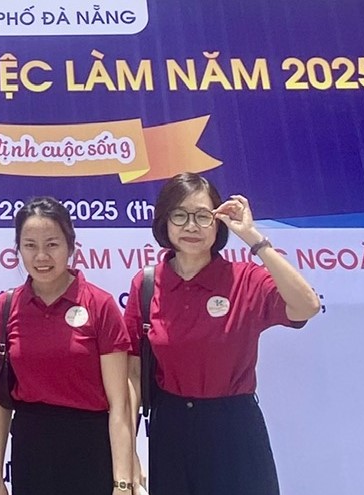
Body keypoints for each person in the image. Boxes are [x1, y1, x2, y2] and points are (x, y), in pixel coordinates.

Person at [125, 172, 321, 495]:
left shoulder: (245, 279)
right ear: (164, 222)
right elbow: (132, 374)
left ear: (218, 224)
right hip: (171, 431)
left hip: (235, 429)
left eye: (203, 216)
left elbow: (307, 306)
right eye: (180, 215)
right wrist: (128, 452)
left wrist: (255, 239)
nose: (191, 226)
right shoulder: (146, 285)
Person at [0, 196, 135, 495]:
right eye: (30, 245)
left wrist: (123, 482)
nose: (41, 256)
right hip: (31, 450)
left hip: (90, 448)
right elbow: (1, 399)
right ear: (18, 249)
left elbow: (119, 405)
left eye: (52, 244)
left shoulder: (100, 304)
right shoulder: (6, 306)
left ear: (70, 246)